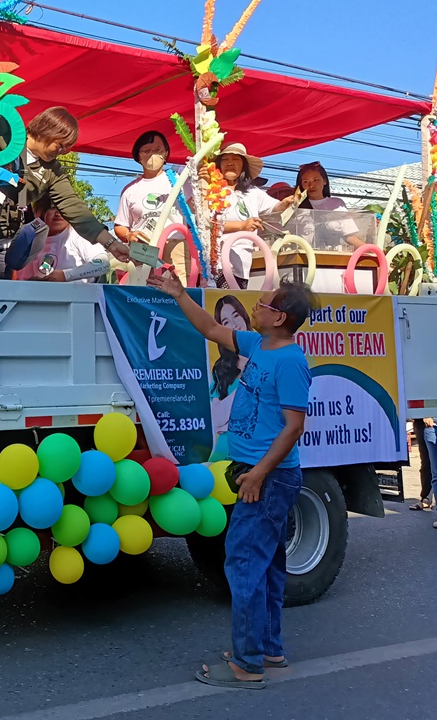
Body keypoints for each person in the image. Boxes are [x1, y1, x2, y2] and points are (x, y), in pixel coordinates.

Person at [149, 270, 317, 689]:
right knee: (270, 566)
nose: (256, 307)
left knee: (243, 564)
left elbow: (294, 427)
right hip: (258, 473)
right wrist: (176, 293)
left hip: (269, 478)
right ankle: (268, 648)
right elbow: (209, 327)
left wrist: (260, 472)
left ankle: (246, 664)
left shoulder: (292, 362)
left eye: (265, 304)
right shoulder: (258, 344)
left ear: (279, 318)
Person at [0, 107, 131, 276]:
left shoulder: (53, 170)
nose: (63, 152)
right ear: (46, 131)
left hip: (2, 248)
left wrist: (110, 243)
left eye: (67, 148)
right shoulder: (4, 136)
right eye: (60, 145)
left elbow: (73, 206)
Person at [113, 130, 193, 279]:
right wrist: (129, 235)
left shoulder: (179, 180)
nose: (153, 155)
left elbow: (196, 209)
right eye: (147, 151)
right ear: (138, 156)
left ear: (166, 153)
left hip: (175, 245)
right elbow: (120, 225)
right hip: (144, 249)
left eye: (158, 150)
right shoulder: (130, 190)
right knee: (145, 291)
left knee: (179, 291)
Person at [216, 143, 293, 288]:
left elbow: (273, 208)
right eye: (225, 159)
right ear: (218, 165)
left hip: (242, 265)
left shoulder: (252, 192)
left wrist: (286, 203)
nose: (230, 163)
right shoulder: (210, 190)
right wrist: (242, 226)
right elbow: (207, 224)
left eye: (236, 159)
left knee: (236, 307)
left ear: (243, 166)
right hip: (217, 264)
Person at [17, 197, 110, 282]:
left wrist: (65, 275)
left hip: (77, 298)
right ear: (37, 212)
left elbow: (103, 264)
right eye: (52, 208)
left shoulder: (78, 235)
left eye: (63, 209)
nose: (58, 213)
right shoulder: (28, 237)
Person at [291, 161, 365, 250]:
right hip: (303, 260)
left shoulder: (336, 204)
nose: (311, 185)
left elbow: (349, 236)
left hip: (331, 258)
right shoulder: (295, 207)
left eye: (315, 180)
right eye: (305, 182)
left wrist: (372, 250)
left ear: (324, 181)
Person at [210, 295, 252, 437]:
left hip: (259, 447)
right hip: (226, 448)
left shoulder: (265, 355)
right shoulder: (221, 369)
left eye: (236, 315)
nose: (234, 324)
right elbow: (215, 419)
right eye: (226, 322)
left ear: (244, 316)